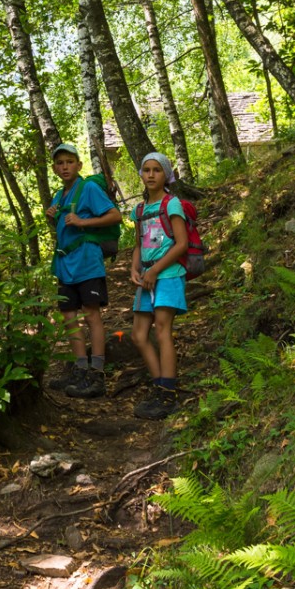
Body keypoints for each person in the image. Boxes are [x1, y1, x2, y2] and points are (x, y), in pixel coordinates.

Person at [46, 143, 121, 398]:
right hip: (65, 265)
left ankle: (96, 373)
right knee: (68, 316)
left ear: (78, 165)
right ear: (55, 168)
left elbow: (115, 216)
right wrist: (51, 215)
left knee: (91, 314)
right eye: (60, 163)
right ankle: (79, 368)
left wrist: (83, 221)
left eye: (69, 161)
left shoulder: (88, 187)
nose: (65, 166)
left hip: (87, 261)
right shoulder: (59, 195)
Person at [129, 152, 190, 420]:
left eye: (157, 170)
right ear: (141, 174)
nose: (151, 174)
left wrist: (154, 269)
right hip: (146, 277)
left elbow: (181, 244)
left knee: (163, 330)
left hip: (168, 274)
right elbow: (139, 243)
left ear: (166, 175)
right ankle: (159, 386)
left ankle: (168, 392)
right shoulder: (139, 210)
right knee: (139, 335)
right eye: (146, 170)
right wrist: (135, 267)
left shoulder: (172, 204)